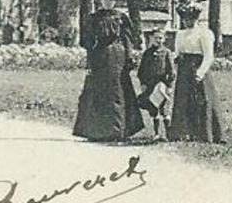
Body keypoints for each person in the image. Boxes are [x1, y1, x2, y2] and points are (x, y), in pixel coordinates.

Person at [73, 10, 144, 142]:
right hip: (99, 56)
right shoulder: (94, 18)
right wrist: (89, 62)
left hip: (118, 57)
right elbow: (88, 42)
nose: (108, 2)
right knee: (98, 92)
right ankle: (95, 131)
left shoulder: (121, 17)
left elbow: (127, 39)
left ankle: (119, 130)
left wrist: (129, 58)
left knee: (118, 91)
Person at [168, 1, 223, 143]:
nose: (188, 21)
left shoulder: (204, 33)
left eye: (191, 18)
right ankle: (182, 133)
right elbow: (177, 52)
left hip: (198, 67)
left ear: (196, 18)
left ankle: (204, 134)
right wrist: (170, 64)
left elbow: (209, 56)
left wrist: (200, 72)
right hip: (184, 69)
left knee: (202, 100)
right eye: (185, 19)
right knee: (183, 99)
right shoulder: (180, 34)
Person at [136, 29, 176, 141]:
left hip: (162, 85)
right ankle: (156, 134)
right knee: (153, 109)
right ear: (151, 39)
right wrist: (143, 84)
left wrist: (170, 86)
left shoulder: (167, 52)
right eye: (156, 38)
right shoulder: (147, 53)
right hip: (150, 85)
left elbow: (171, 71)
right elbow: (141, 71)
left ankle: (168, 135)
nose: (158, 40)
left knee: (165, 109)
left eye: (160, 38)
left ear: (164, 39)